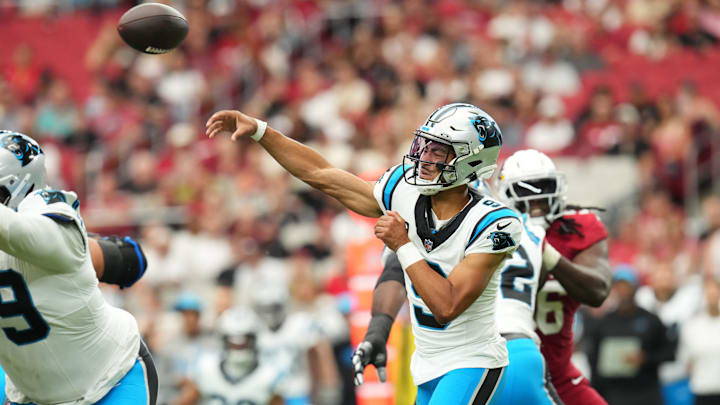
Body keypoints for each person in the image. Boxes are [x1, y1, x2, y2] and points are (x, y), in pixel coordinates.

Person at [205, 103, 522, 404]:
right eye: (424, 146)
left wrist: (403, 244)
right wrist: (262, 132)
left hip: (472, 360)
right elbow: (322, 174)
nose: (424, 157)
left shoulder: (496, 224)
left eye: (438, 150)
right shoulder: (404, 190)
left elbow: (447, 305)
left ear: (472, 160)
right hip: (426, 361)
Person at [352, 172, 564, 405]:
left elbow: (395, 276)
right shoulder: (526, 231)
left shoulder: (424, 226)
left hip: (467, 358)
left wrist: (377, 331)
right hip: (518, 351)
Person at [0, 130, 157, 404]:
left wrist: (108, 257)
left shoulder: (52, 219)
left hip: (110, 380)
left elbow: (17, 232)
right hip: (30, 394)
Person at [500, 150, 611, 405]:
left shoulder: (578, 227)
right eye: (527, 190)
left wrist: (547, 254)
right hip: (500, 371)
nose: (537, 198)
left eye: (544, 186)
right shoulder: (491, 232)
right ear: (507, 193)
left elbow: (599, 291)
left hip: (559, 375)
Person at [585, 266, 674, 405]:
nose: (624, 291)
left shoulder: (651, 320)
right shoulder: (604, 323)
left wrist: (646, 358)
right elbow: (593, 358)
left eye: (627, 286)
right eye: (619, 287)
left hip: (646, 391)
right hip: (615, 393)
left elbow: (669, 352)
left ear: (636, 288)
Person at [176, 307, 288, 405]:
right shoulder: (206, 368)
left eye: (244, 342)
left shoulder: (268, 375)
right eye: (232, 342)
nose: (238, 348)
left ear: (254, 340)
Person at [678, 276, 720, 405]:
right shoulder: (692, 326)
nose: (712, 297)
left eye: (716, 292)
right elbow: (685, 361)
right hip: (702, 391)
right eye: (708, 292)